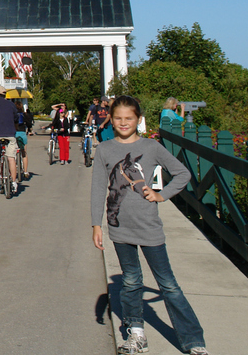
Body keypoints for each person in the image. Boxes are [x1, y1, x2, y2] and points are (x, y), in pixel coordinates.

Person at [91, 95, 209, 355]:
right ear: (111, 118)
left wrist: (161, 194)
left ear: (138, 120)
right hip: (119, 227)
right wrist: (96, 225)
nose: (123, 123)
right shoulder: (105, 149)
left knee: (168, 284)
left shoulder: (152, 147)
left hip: (148, 226)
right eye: (118, 118)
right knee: (131, 281)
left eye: (129, 118)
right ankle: (137, 334)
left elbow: (182, 173)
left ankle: (193, 341)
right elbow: (98, 188)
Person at [13, 99, 31, 178]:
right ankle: (26, 171)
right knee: (24, 152)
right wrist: (29, 129)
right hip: (22, 134)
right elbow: (29, 124)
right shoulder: (24, 115)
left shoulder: (12, 115)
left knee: (12, 153)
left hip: (14, 134)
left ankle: (13, 169)